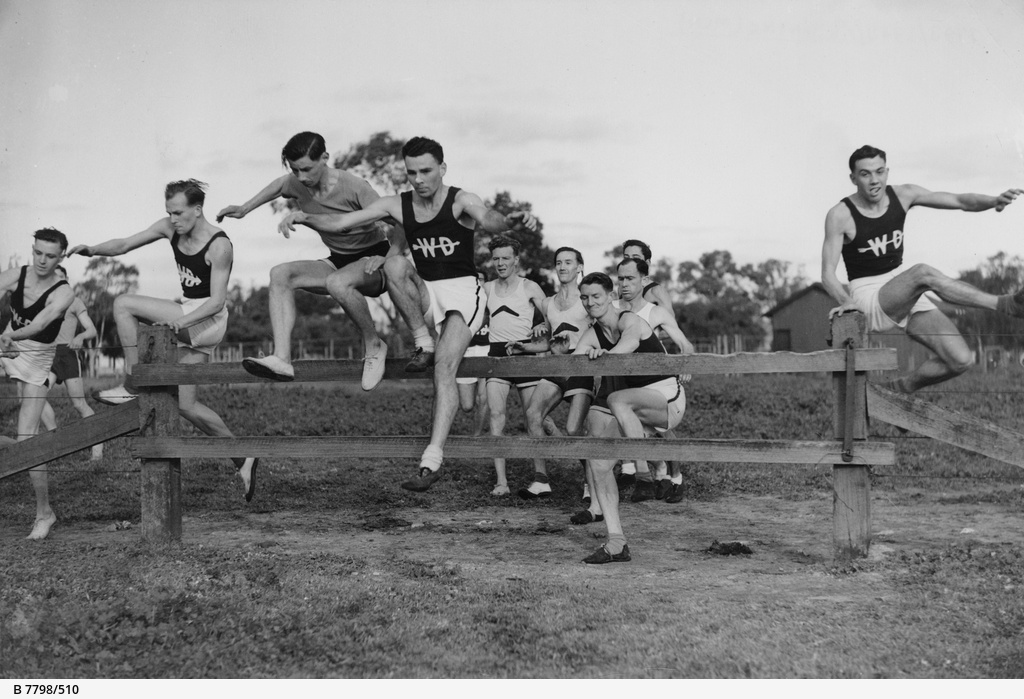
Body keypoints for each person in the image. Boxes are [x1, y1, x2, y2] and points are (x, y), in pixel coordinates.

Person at [277, 136, 537, 491]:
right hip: (427, 292)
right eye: (412, 172)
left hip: (462, 292)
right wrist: (304, 216)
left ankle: (431, 459)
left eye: (427, 171)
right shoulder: (398, 206)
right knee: (396, 263)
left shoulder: (460, 199)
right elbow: (343, 223)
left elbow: (488, 217)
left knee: (445, 367)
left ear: (442, 169)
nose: (419, 179)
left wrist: (509, 221)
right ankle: (421, 340)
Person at [68, 179, 260, 501]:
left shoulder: (219, 245)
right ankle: (244, 457)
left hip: (208, 320)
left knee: (124, 304)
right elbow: (125, 244)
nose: (173, 219)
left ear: (198, 210)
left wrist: (178, 323)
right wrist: (92, 249)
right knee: (186, 404)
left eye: (179, 213)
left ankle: (132, 383)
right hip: (189, 318)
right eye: (169, 213)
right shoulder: (170, 229)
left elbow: (215, 303)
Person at [216, 131, 418, 391]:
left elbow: (402, 222)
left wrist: (387, 257)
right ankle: (282, 359)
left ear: (325, 158)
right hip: (339, 260)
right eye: (295, 170)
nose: (301, 177)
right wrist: (244, 208)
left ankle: (375, 345)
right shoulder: (298, 182)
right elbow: (279, 185)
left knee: (337, 283)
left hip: (372, 261)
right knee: (281, 274)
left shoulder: (355, 187)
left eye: (307, 169)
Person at [822, 145, 1024, 393]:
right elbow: (827, 274)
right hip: (869, 297)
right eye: (865, 174)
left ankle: (899, 389)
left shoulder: (904, 195)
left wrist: (993, 201)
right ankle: (1006, 305)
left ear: (887, 171)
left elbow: (959, 201)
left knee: (961, 359)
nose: (874, 180)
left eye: (880, 172)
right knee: (923, 273)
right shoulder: (840, 214)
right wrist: (845, 300)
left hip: (903, 288)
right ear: (853, 178)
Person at [571, 272, 686, 564]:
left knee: (616, 398)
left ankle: (645, 472)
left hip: (667, 399)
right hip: (633, 410)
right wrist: (566, 351)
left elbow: (626, 349)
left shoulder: (629, 321)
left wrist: (603, 355)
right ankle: (617, 543)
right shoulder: (593, 332)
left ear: (610, 296)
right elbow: (575, 359)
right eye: (584, 297)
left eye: (596, 296)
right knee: (598, 462)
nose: (590, 302)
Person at [0, 228, 75, 539]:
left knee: (28, 439)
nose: (42, 261)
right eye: (38, 253)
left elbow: (42, 323)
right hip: (7, 345)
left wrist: (9, 336)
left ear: (60, 258)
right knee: (25, 443)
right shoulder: (16, 275)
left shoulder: (64, 291)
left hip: (37, 359)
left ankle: (45, 513)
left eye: (50, 256)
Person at [508, 246, 594, 501]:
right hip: (556, 369)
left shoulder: (588, 299)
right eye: (559, 262)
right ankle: (541, 480)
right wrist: (525, 347)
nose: (563, 267)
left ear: (580, 267)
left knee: (574, 429)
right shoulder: (548, 303)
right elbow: (549, 341)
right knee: (533, 413)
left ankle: (591, 482)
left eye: (569, 262)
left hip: (581, 369)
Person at [615, 257, 694, 503]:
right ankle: (659, 472)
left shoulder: (655, 311)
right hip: (628, 382)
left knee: (662, 431)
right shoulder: (613, 309)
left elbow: (684, 343)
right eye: (620, 279)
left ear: (644, 280)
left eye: (630, 279)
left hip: (657, 381)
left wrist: (684, 362)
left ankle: (675, 477)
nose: (624, 285)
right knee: (630, 430)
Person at [480, 235, 545, 497]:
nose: (500, 263)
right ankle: (501, 482)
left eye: (506, 258)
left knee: (535, 418)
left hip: (524, 355)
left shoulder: (530, 287)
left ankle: (541, 478)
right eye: (496, 258)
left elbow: (552, 317)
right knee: (496, 417)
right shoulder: (486, 289)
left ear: (516, 260)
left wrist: (542, 325)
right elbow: (472, 320)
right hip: (497, 357)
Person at [38, 265, 103, 461]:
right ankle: (55, 440)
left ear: (66, 280)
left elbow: (91, 330)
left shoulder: (75, 302)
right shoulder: (45, 303)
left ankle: (97, 450)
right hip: (47, 355)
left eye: (61, 278)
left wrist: (81, 337)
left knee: (79, 403)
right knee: (36, 397)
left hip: (67, 354)